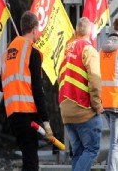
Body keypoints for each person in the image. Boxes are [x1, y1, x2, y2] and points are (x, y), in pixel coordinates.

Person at [0, 11, 53, 171]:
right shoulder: (32, 51)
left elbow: (1, 85)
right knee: (31, 163)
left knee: (28, 160)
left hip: (13, 116)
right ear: (34, 29)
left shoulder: (7, 52)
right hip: (27, 114)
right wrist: (46, 123)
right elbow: (37, 89)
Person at [58, 17, 104, 171]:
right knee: (91, 149)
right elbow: (95, 80)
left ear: (77, 31)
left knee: (78, 151)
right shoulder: (88, 49)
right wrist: (97, 105)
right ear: (89, 32)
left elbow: (60, 77)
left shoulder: (67, 48)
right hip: (83, 109)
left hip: (66, 110)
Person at [100, 17, 118, 171]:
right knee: (115, 142)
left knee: (114, 140)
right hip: (116, 101)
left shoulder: (102, 50)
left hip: (104, 101)